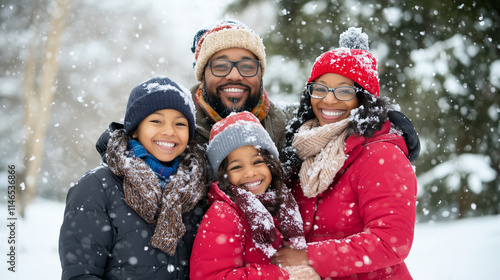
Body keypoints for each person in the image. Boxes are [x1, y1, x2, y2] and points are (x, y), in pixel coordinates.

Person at [272, 27, 418, 279]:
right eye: (320, 89)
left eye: (344, 91)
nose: (328, 101)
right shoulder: (302, 149)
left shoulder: (381, 154)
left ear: (363, 99)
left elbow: (391, 241)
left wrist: (309, 255)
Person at [58, 76, 209, 280]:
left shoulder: (196, 191)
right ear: (135, 129)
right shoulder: (97, 187)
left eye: (180, 124)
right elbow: (81, 273)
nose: (169, 131)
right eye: (156, 121)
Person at [190, 111, 320, 280]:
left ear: (270, 164)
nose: (250, 173)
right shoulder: (224, 214)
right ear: (223, 175)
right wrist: (282, 275)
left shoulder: (284, 203)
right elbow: (210, 277)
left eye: (257, 162)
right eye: (236, 167)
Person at [189, 19, 292, 156]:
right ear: (203, 75)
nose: (235, 76)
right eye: (221, 66)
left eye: (247, 66)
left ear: (260, 74)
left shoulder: (291, 131)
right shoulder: (176, 129)